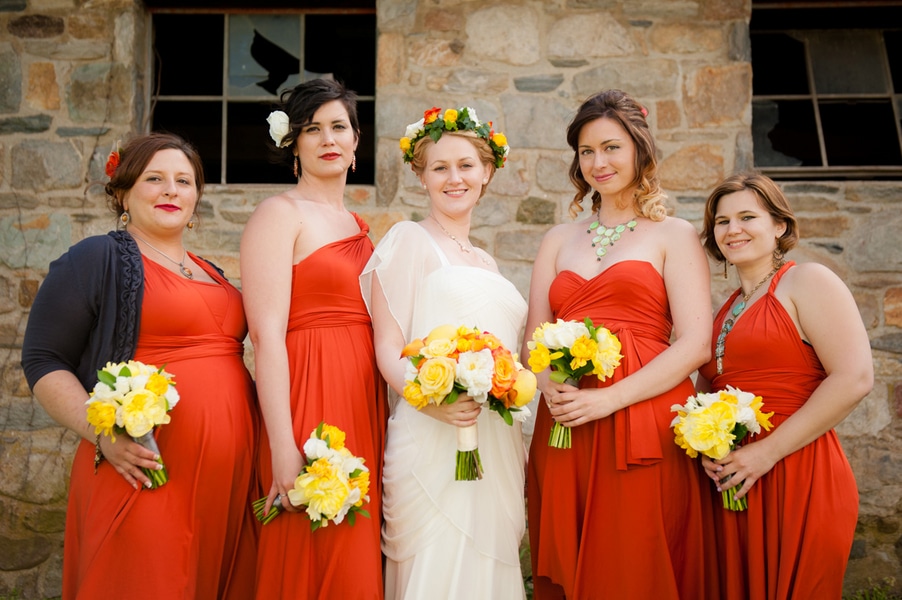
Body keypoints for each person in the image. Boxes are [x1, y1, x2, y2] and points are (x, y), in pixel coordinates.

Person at [21, 132, 259, 599]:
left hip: (226, 480)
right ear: (123, 192)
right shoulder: (98, 258)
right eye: (154, 178)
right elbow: (43, 359)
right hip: (143, 466)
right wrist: (103, 435)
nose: (171, 190)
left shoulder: (210, 270)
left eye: (184, 181)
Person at [524, 89, 718, 599]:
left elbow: (696, 344)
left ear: (639, 149)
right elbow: (534, 338)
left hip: (641, 415)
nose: (599, 163)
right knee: (571, 553)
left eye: (611, 147)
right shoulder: (557, 239)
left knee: (633, 554)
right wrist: (550, 387)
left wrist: (609, 399)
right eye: (587, 151)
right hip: (566, 419)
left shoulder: (673, 234)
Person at [360, 105, 528, 599]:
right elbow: (388, 348)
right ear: (422, 176)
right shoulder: (408, 240)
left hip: (493, 440)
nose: (454, 179)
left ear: (487, 171)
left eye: (466, 165)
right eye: (440, 167)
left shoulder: (489, 263)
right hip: (431, 431)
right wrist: (433, 402)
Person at [240, 78, 387, 599]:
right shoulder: (279, 214)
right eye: (312, 128)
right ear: (294, 144)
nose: (328, 138)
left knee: (355, 542)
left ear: (355, 141)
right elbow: (265, 336)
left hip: (361, 394)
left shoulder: (358, 226)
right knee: (310, 537)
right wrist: (283, 444)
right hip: (308, 389)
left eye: (338, 127)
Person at [697, 172, 873, 599]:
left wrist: (766, 452)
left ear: (779, 225)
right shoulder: (725, 309)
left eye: (747, 217)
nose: (733, 229)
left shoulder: (807, 281)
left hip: (799, 471)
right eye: (722, 221)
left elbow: (855, 377)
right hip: (738, 479)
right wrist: (705, 446)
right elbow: (704, 394)